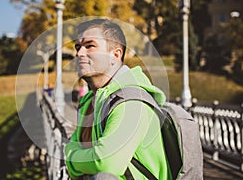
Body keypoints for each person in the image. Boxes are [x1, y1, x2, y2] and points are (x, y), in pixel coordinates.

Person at [65, 18, 172, 180]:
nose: (79, 54)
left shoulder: (132, 100)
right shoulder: (88, 101)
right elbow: (74, 147)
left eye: (90, 46)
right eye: (78, 47)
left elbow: (107, 163)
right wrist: (76, 156)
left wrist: (71, 159)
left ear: (115, 55)